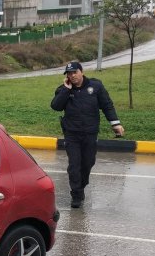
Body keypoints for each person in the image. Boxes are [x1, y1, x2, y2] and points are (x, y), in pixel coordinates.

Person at [51, 61, 125, 208]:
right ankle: (76, 195)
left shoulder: (95, 86)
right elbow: (56, 106)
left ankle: (81, 186)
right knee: (74, 165)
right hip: (72, 134)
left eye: (75, 72)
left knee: (88, 163)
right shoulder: (64, 89)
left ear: (81, 71)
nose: (72, 76)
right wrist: (66, 90)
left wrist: (115, 124)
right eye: (69, 74)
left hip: (90, 133)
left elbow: (107, 105)